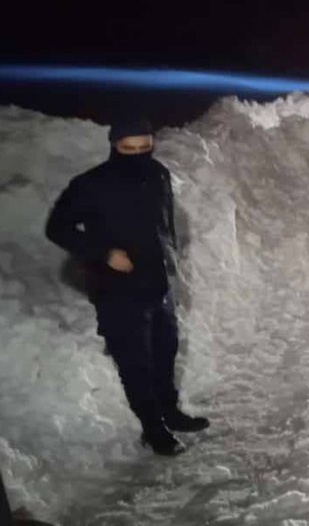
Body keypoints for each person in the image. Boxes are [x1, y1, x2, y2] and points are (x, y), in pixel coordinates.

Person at [45, 119, 208, 456]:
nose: (137, 155)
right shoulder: (91, 184)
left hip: (157, 284)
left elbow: (165, 223)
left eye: (144, 148)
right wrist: (104, 253)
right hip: (116, 290)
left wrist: (171, 258)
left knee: (165, 352)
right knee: (136, 363)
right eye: (128, 149)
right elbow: (57, 228)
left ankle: (170, 411)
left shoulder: (157, 174)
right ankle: (153, 429)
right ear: (114, 145)